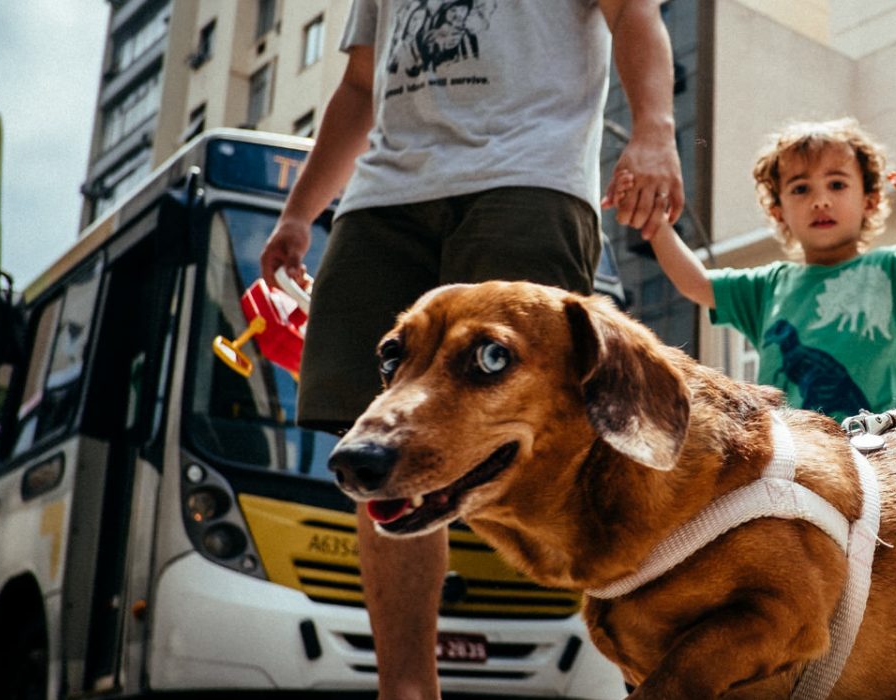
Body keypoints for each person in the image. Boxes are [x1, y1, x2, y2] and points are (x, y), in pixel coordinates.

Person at [257, 1, 681, 698]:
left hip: (526, 176)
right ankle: (406, 691)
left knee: (560, 426)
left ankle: (638, 672)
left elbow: (633, 14)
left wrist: (655, 132)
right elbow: (361, 86)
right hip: (382, 199)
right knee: (384, 451)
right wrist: (300, 213)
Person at [640, 118, 896, 422]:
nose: (820, 200)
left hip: (875, 453)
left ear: (870, 200)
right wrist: (655, 223)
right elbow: (696, 284)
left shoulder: (891, 270)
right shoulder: (768, 286)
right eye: (801, 188)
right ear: (777, 211)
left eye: (837, 184)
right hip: (792, 458)